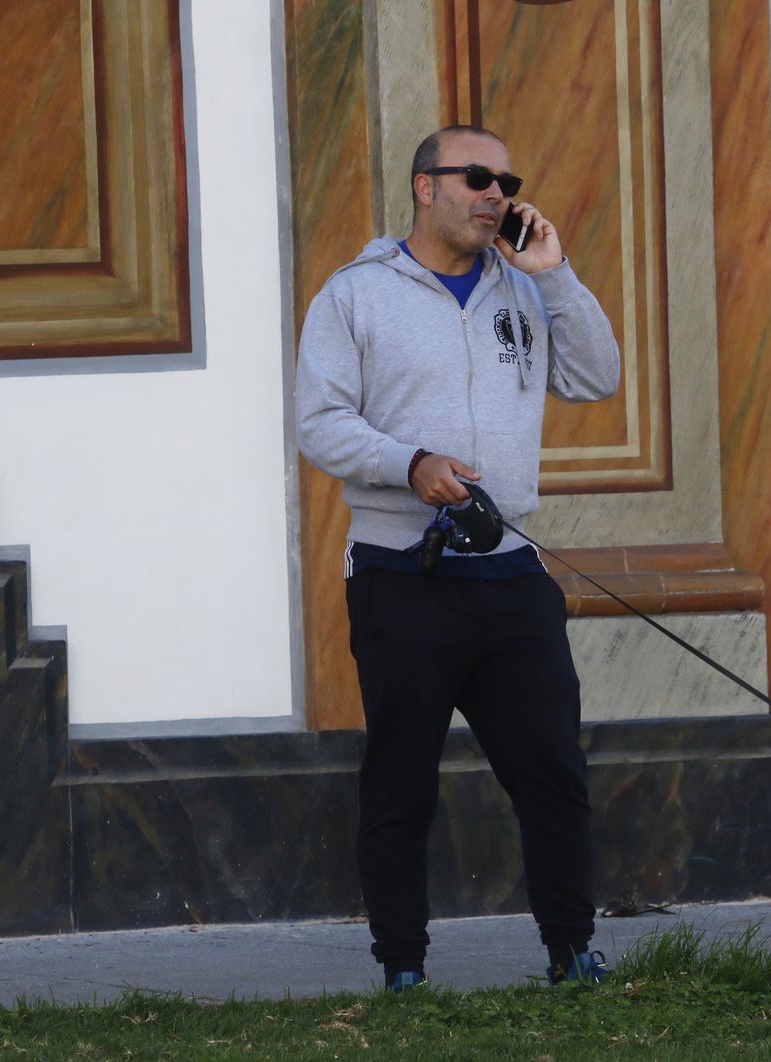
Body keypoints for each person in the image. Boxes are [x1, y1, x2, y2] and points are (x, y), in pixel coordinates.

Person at [295, 124, 620, 991]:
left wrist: (556, 275)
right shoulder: (355, 295)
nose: (497, 195)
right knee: (401, 782)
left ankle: (571, 952)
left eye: (507, 181)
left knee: (552, 773)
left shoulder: (526, 288)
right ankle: (403, 968)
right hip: (403, 573)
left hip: (512, 573)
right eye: (477, 177)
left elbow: (597, 378)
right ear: (425, 186)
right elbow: (319, 423)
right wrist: (408, 463)